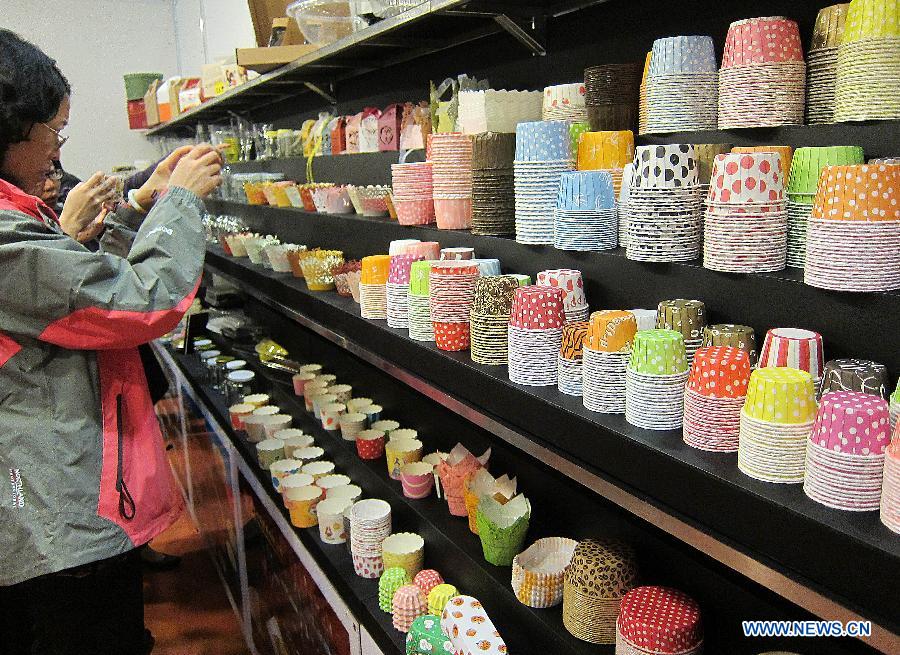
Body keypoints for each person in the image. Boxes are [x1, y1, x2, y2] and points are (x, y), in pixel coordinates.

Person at [0, 29, 222, 655]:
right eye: (53, 129)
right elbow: (141, 303)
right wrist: (179, 203)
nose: (57, 149)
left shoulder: (17, 223)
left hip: (54, 499)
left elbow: (77, 295)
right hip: (53, 515)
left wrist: (132, 212)